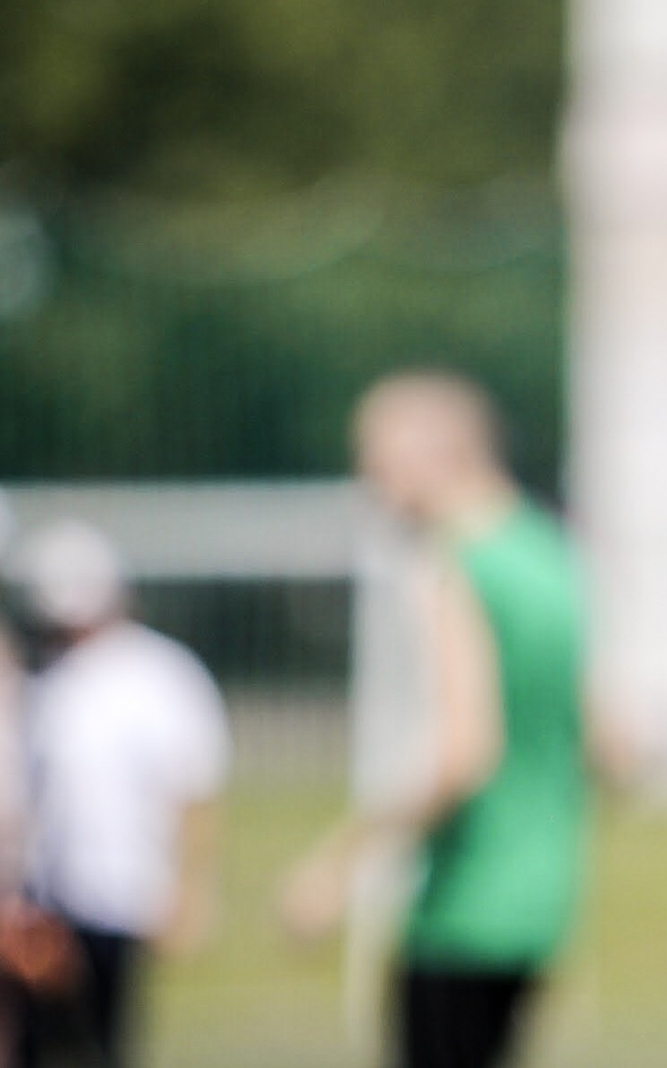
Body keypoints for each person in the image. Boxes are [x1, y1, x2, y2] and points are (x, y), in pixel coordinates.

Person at [280, 371, 588, 1068]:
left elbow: (464, 752)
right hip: (544, 898)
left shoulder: (457, 566)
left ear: (439, 453)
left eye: (377, 457)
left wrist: (335, 865)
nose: (368, 479)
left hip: (463, 907)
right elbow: (611, 739)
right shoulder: (553, 556)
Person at [3, 520, 229, 1068]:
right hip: (48, 893)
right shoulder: (47, 674)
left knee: (103, 1039)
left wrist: (190, 887)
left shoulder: (159, 671)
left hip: (122, 892)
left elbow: (193, 788)